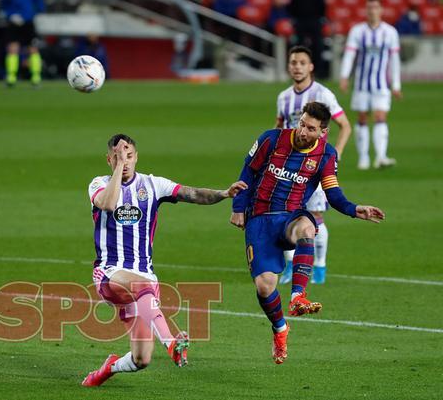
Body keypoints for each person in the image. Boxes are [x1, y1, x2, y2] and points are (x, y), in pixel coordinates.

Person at [82, 134, 247, 386]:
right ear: (109, 160)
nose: (125, 161)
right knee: (141, 286)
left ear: (137, 157)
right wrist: (118, 169)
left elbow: (192, 193)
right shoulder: (99, 183)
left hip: (145, 277)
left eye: (129, 156)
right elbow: (108, 203)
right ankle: (171, 343)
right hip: (109, 273)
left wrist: (223, 194)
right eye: (118, 157)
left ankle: (108, 369)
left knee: (141, 359)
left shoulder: (153, 184)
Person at [230, 102, 384, 364]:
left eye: (310, 128)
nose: (302, 131)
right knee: (265, 287)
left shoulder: (326, 155)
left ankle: (298, 296)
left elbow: (333, 193)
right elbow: (248, 171)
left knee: (308, 228)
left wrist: (354, 209)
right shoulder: (271, 139)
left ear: (322, 132)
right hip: (259, 218)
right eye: (301, 123)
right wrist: (237, 208)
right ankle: (280, 328)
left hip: (291, 216)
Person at [275, 45, 352, 285]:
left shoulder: (324, 94)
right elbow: (279, 129)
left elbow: (345, 126)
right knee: (284, 216)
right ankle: (289, 266)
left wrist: (335, 154)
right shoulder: (283, 97)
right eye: (293, 62)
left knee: (316, 217)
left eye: (301, 63)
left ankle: (319, 266)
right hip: (287, 167)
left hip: (315, 167)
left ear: (310, 67)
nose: (296, 67)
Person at [340, 0, 402, 170]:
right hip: (361, 84)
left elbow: (394, 60)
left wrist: (396, 85)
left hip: (381, 85)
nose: (372, 10)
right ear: (366, 10)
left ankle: (381, 157)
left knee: (381, 117)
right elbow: (350, 55)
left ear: (381, 10)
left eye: (375, 7)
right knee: (362, 119)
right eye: (369, 7)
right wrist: (344, 76)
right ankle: (364, 158)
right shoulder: (357, 31)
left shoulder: (390, 32)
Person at [0, 0, 45, 87]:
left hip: (28, 22)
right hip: (14, 23)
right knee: (12, 48)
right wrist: (10, 15)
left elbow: (38, 1)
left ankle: (36, 77)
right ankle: (11, 77)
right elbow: (3, 4)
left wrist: (33, 14)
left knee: (33, 48)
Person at [288, 0, 328, 78]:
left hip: (315, 21)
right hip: (300, 21)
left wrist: (320, 19)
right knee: (299, 47)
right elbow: (293, 6)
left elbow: (322, 6)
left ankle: (318, 71)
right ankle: (298, 71)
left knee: (318, 46)